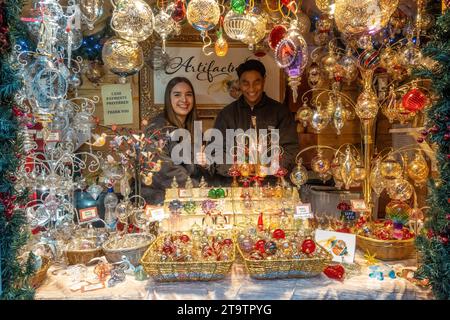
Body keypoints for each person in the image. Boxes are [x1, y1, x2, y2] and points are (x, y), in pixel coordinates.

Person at [197, 59, 299, 186]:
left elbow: (290, 150)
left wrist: (263, 168)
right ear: (239, 83)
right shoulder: (226, 114)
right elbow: (216, 152)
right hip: (234, 186)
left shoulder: (280, 112)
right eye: (245, 83)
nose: (251, 89)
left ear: (264, 80)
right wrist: (240, 168)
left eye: (257, 82)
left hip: (271, 185)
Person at [142, 77, 206, 204]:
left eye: (189, 95)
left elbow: (200, 167)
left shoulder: (194, 129)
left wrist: (203, 164)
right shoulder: (157, 127)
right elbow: (163, 170)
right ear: (168, 98)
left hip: (187, 197)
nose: (184, 100)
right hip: (160, 200)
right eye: (177, 95)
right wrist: (199, 188)